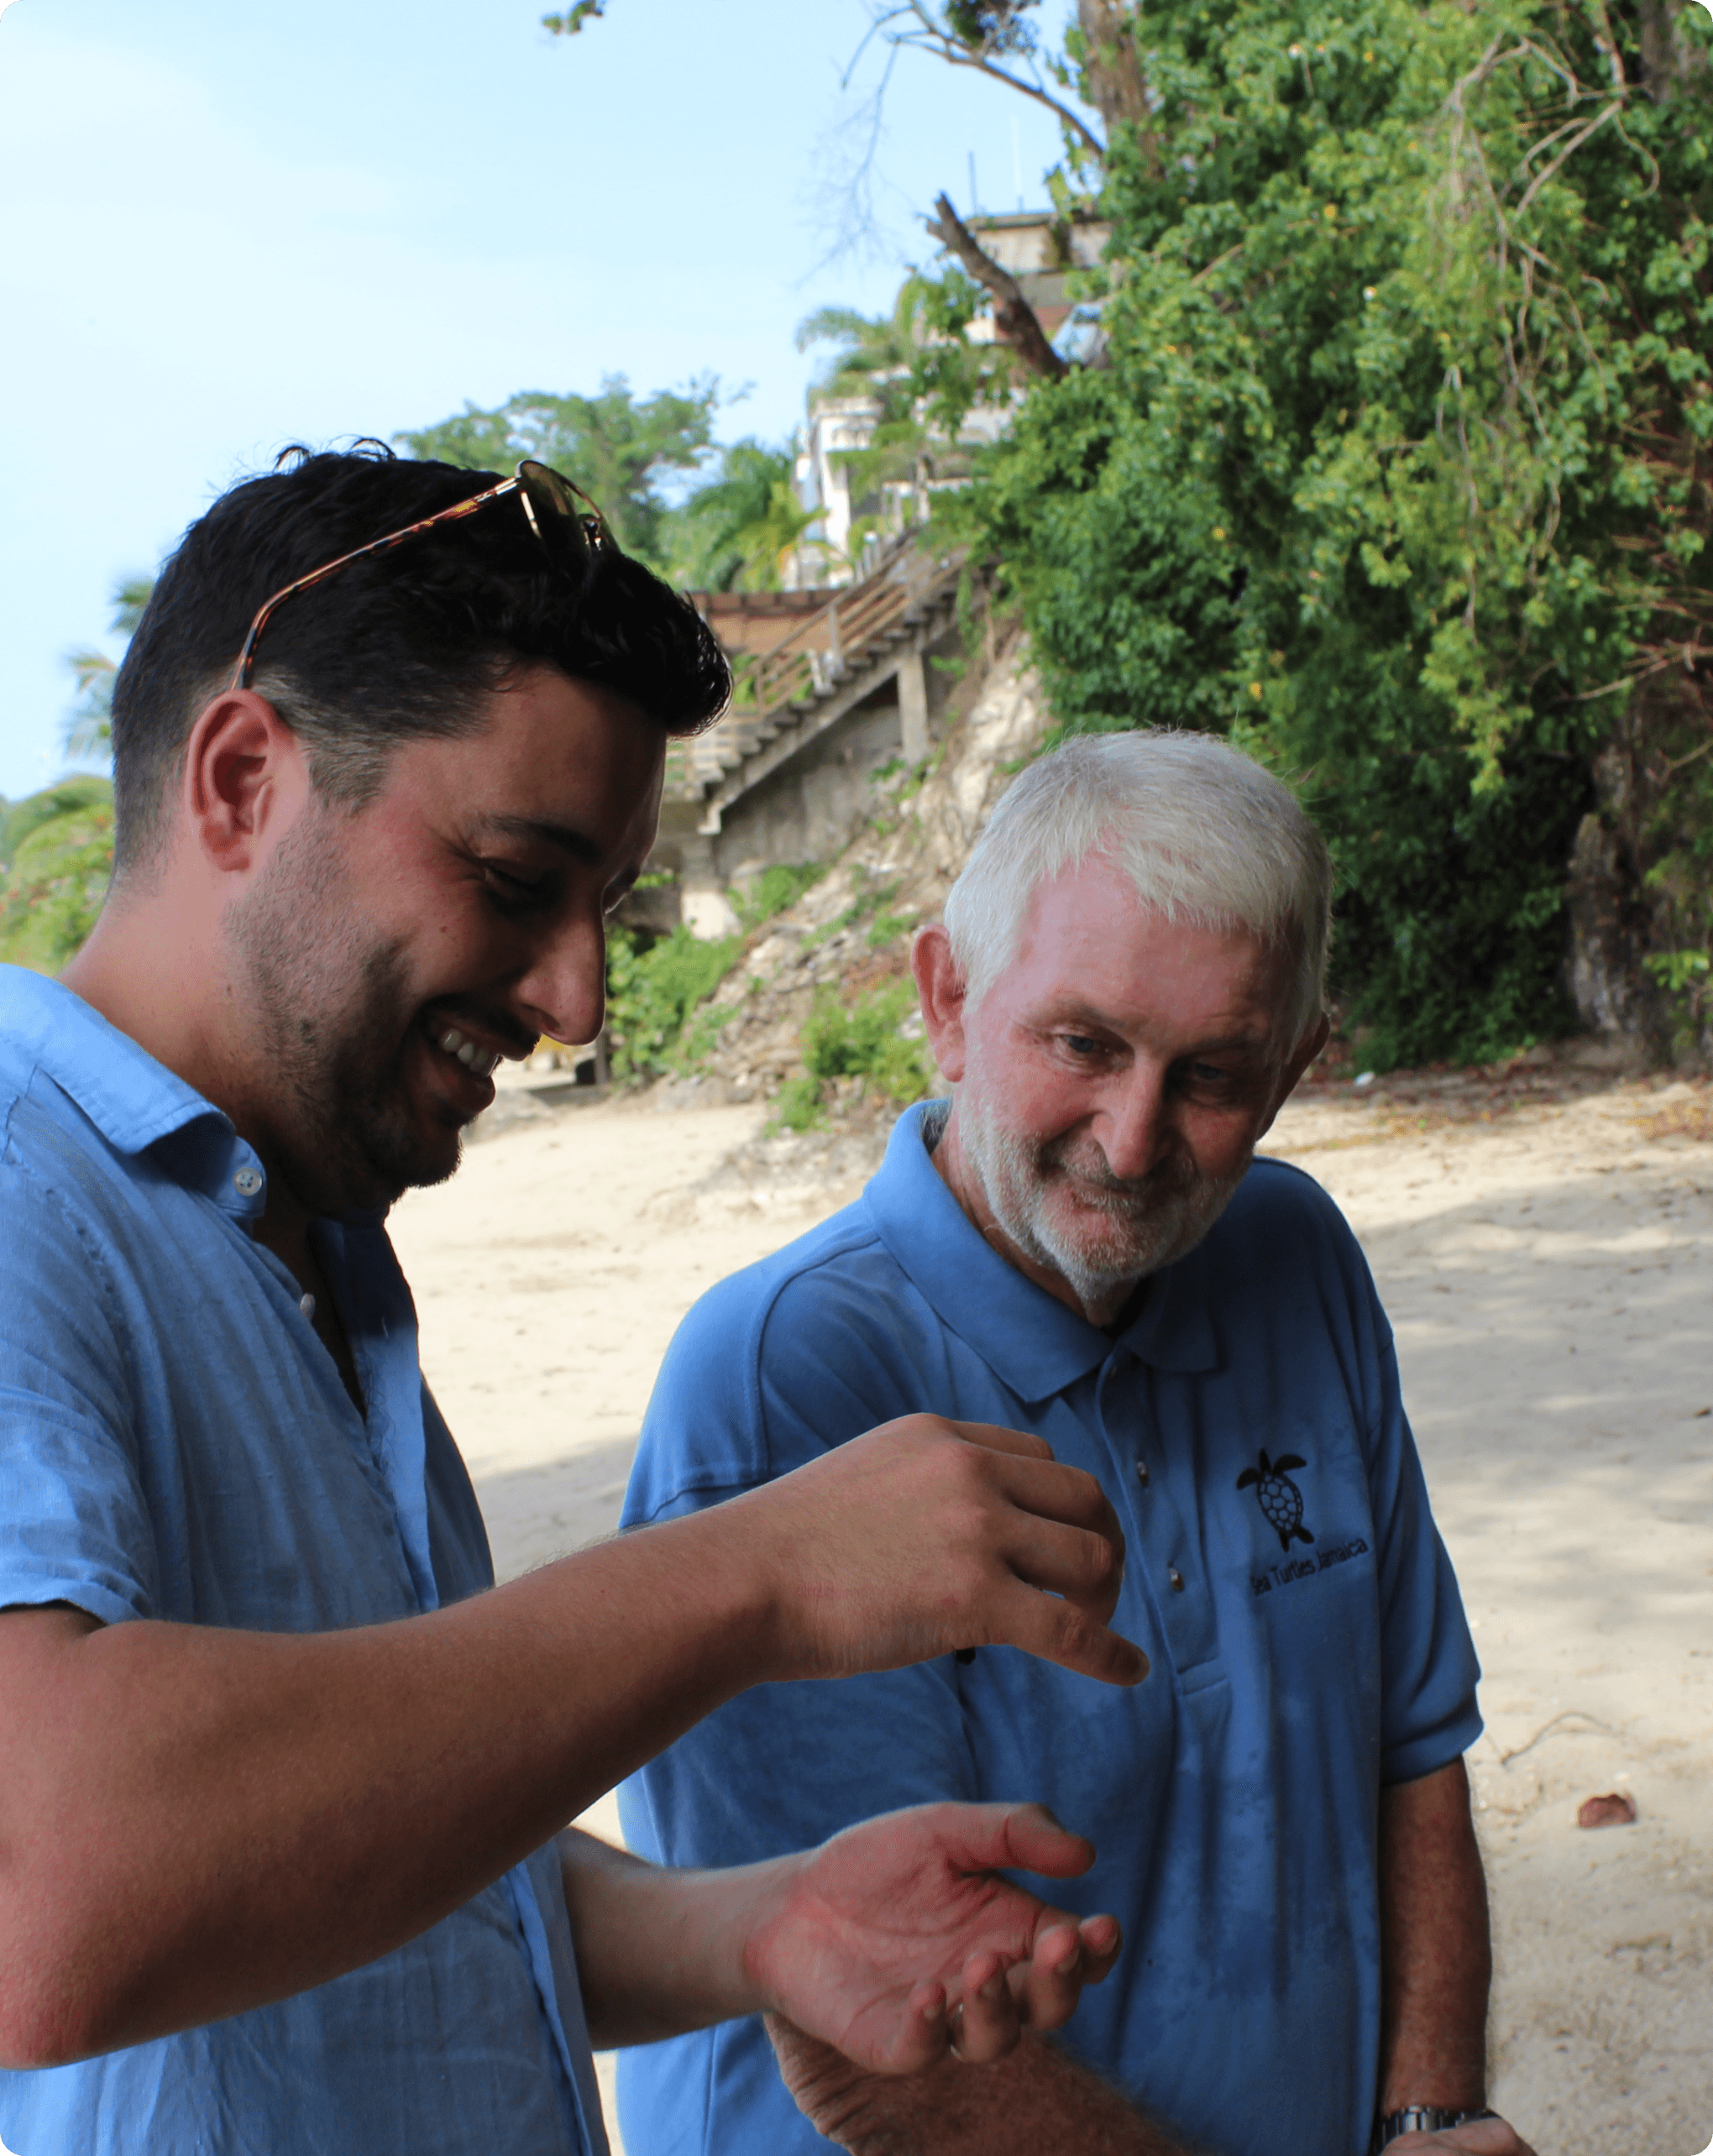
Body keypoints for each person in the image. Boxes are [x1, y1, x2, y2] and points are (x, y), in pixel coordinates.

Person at [0, 447, 1148, 2156]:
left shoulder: (305, 1252)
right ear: (242, 782)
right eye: (516, 876)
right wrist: (754, 1573)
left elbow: (353, 1833)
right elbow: (51, 1878)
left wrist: (756, 1927)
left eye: (604, 907)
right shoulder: (29, 1190)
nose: (578, 997)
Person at [618, 732, 1539, 2156]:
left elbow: (1411, 1746)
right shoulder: (780, 1378)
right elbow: (890, 2050)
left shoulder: (1293, 1255)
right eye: (1083, 1045)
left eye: (1213, 1073)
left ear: (1294, 1070)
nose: (1131, 1138)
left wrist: (1432, 2112)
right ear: (947, 1000)